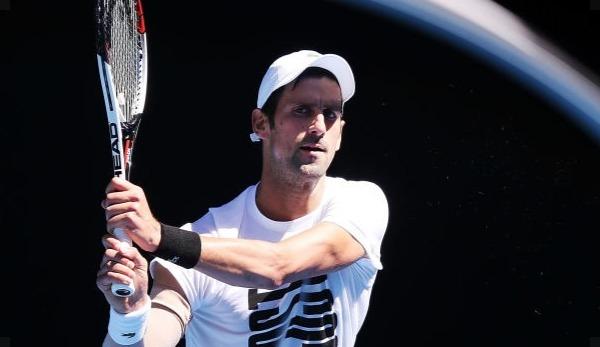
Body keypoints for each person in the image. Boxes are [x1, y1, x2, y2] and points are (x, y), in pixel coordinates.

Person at [96, 49, 389, 347]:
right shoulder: (202, 243)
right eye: (302, 110)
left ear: (340, 132)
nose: (318, 127)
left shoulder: (362, 202)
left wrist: (160, 237)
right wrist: (129, 316)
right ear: (261, 124)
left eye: (330, 114)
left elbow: (278, 267)